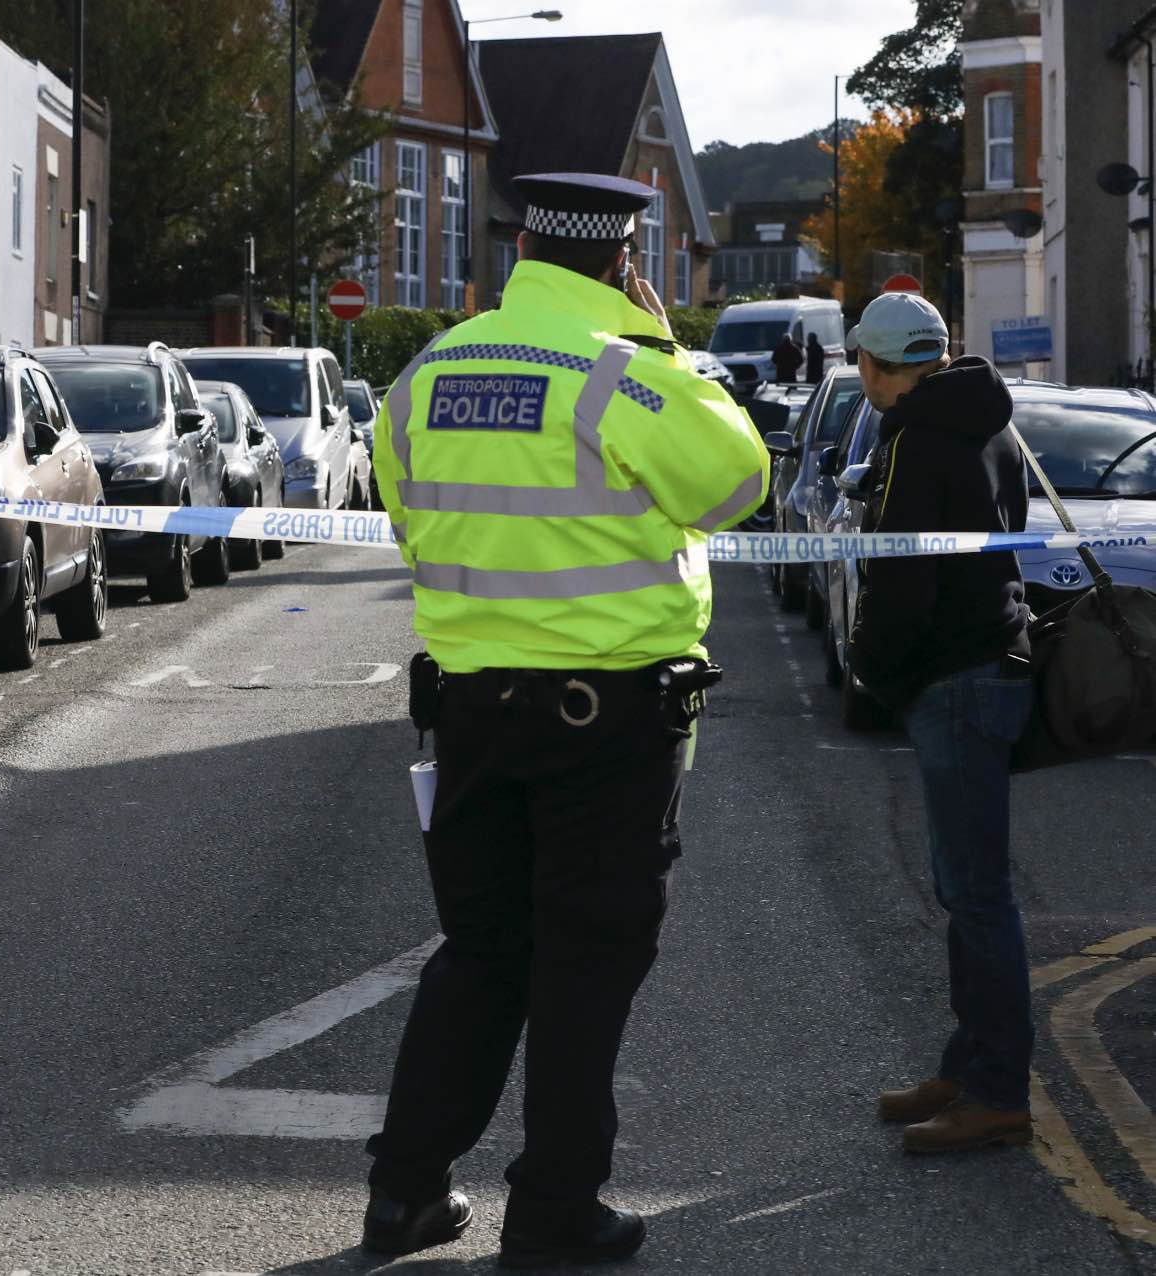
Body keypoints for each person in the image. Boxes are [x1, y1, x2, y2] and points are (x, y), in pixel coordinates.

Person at [367, 172, 769, 1266]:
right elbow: (737, 481)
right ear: (622, 259)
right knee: (583, 965)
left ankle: (401, 1193)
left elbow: (406, 516)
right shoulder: (624, 376)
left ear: (524, 248)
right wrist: (664, 346)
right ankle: (550, 1213)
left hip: (468, 718)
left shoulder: (425, 373)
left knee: (480, 954)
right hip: (607, 722)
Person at [845, 291, 1033, 1154]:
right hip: (992, 661)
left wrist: (874, 674)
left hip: (951, 679)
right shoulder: (988, 419)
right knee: (967, 890)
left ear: (882, 365)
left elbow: (900, 582)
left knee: (977, 894)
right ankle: (967, 1065)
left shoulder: (915, 439)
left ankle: (996, 1091)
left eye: (864, 364)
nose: (861, 379)